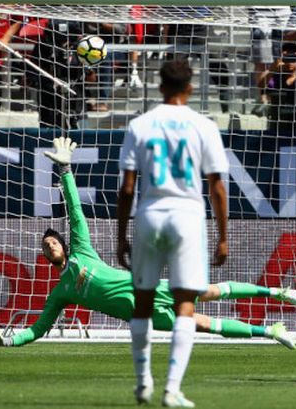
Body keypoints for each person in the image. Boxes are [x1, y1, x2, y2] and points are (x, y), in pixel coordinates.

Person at [0, 137, 296, 349]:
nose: (49, 245)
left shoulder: (83, 251)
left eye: (53, 241)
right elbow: (37, 329)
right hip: (145, 316)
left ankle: (275, 292)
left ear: (64, 245)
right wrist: (8, 342)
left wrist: (64, 170)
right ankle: (270, 332)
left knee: (211, 291)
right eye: (44, 245)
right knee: (207, 326)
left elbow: (75, 211)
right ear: (45, 256)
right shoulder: (62, 292)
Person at [116, 59, 228, 408]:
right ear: (190, 88)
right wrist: (224, 235)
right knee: (184, 303)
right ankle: (172, 389)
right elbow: (217, 186)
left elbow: (127, 188)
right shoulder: (204, 125)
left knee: (144, 302)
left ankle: (142, 382)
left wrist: (121, 234)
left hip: (150, 212)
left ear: (160, 86)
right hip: (187, 214)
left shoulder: (140, 125)